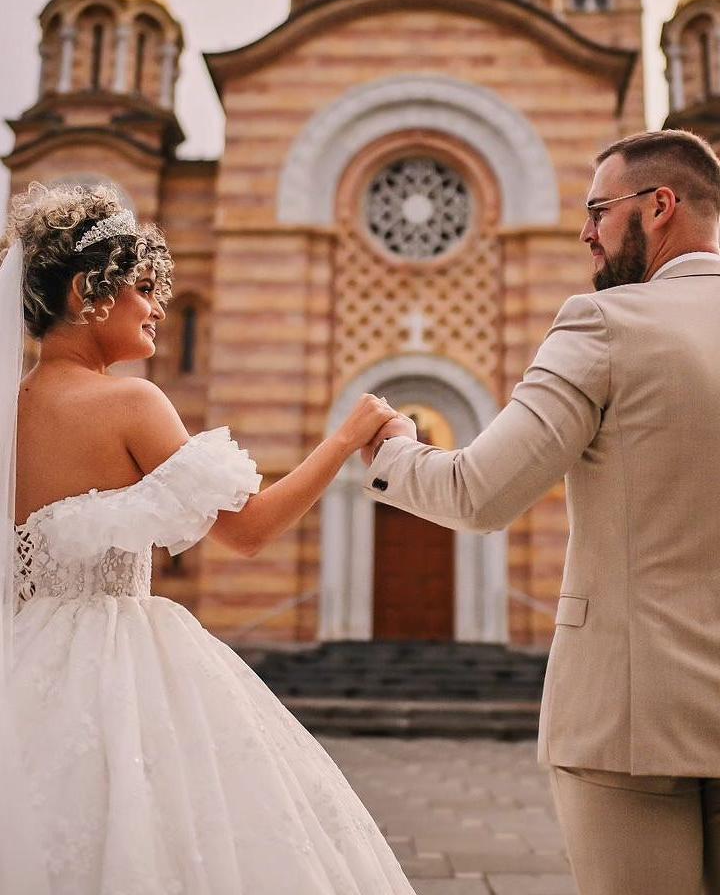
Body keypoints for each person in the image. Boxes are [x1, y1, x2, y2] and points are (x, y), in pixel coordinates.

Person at [0, 181, 416, 895]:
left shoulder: (9, 410)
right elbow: (249, 530)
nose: (159, 308)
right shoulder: (129, 401)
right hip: (118, 665)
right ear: (85, 293)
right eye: (143, 289)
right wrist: (346, 438)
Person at [363, 129, 720, 895]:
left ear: (659, 206)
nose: (586, 233)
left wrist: (394, 451)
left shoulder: (607, 323)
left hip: (631, 719)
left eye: (598, 211)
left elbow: (479, 493)